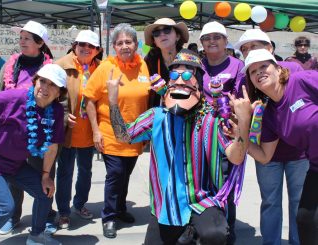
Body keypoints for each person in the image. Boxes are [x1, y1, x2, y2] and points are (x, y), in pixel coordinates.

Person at [106, 48, 251, 245]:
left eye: (187, 74)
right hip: (166, 205)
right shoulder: (156, 117)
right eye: (174, 74)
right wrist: (113, 100)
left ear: (198, 83)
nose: (180, 80)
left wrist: (243, 123)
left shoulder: (211, 118)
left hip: (203, 201)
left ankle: (192, 233)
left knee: (215, 235)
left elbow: (235, 157)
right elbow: (123, 136)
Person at [234, 29, 308, 245]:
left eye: (254, 46)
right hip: (266, 153)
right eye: (245, 49)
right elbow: (243, 115)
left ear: (270, 49)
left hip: (299, 153)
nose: (249, 52)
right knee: (270, 202)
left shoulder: (294, 69)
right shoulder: (245, 80)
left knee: (299, 202)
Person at [83, 23, 150, 239]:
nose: (124, 46)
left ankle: (120, 208)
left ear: (136, 44)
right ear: (113, 46)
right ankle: (109, 216)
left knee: (126, 174)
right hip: (110, 133)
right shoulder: (105, 68)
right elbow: (89, 101)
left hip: (135, 135)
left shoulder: (143, 67)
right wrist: (95, 131)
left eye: (128, 42)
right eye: (119, 43)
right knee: (116, 174)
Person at [0, 20, 58, 235]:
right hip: (11, 131)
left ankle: (43, 220)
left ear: (39, 43)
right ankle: (11, 216)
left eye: (26, 38)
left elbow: (58, 101)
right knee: (10, 187)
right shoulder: (12, 64)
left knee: (42, 179)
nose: (21, 42)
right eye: (20, 38)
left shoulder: (49, 68)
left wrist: (60, 120)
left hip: (39, 132)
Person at [0, 64, 66, 245]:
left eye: (52, 85)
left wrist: (46, 175)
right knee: (5, 207)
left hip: (16, 165)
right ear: (35, 82)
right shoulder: (14, 98)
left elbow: (52, 146)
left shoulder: (56, 111)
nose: (45, 87)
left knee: (45, 192)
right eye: (42, 81)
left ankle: (37, 235)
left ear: (59, 93)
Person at [199, 21, 246, 245]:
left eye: (217, 37)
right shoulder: (198, 67)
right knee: (203, 181)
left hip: (227, 134)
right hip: (200, 134)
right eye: (207, 38)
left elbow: (243, 99)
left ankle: (229, 228)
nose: (212, 41)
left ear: (226, 41)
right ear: (202, 44)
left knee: (226, 183)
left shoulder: (238, 66)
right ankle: (205, 226)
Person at [54, 30, 101, 229]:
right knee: (64, 172)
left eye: (91, 46)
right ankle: (64, 211)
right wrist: (63, 117)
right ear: (75, 45)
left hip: (89, 133)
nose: (86, 48)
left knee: (86, 172)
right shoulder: (60, 66)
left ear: (97, 50)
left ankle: (80, 204)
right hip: (68, 133)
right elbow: (50, 96)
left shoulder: (101, 69)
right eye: (82, 44)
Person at [144, 17, 189, 106]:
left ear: (177, 36)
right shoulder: (149, 61)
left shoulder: (190, 59)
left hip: (186, 111)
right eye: (156, 33)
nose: (162, 34)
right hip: (158, 113)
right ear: (155, 41)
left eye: (167, 30)